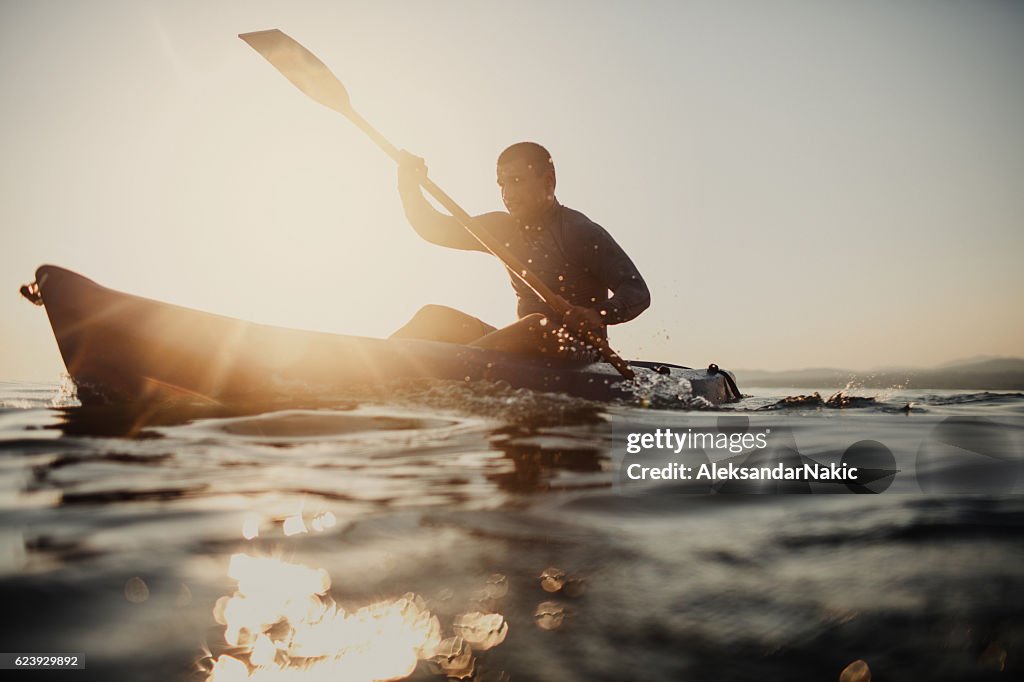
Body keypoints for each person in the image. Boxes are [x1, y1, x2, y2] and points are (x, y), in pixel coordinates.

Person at [391, 142, 650, 357]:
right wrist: (409, 185)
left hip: (579, 354)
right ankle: (376, 367)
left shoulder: (579, 231)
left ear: (549, 182)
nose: (507, 194)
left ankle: (443, 370)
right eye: (502, 183)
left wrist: (598, 314)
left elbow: (637, 290)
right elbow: (432, 228)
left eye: (516, 181)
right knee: (434, 317)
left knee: (536, 326)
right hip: (519, 350)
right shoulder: (501, 229)